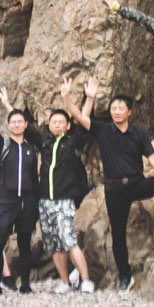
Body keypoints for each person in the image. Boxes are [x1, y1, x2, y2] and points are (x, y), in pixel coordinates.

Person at [94, 92, 154, 290]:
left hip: (136, 183)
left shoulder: (139, 133)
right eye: (113, 108)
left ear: (129, 112)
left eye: (121, 108)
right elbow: (79, 117)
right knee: (118, 236)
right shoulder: (103, 131)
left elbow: (151, 156)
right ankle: (125, 277)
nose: (116, 112)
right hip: (114, 189)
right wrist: (81, 98)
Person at [37, 79, 99, 293]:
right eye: (53, 122)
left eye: (61, 121)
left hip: (64, 200)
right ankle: (64, 282)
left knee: (69, 241)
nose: (56, 124)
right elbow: (20, 127)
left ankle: (86, 279)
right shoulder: (44, 143)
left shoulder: (72, 141)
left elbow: (83, 120)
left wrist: (86, 98)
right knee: (54, 245)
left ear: (67, 125)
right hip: (45, 202)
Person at [0, 90, 39, 296]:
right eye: (12, 121)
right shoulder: (3, 145)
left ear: (25, 125)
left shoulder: (31, 149)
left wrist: (36, 204)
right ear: (9, 125)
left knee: (24, 242)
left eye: (20, 121)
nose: (16, 124)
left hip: (27, 202)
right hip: (6, 201)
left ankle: (25, 284)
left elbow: (34, 178)